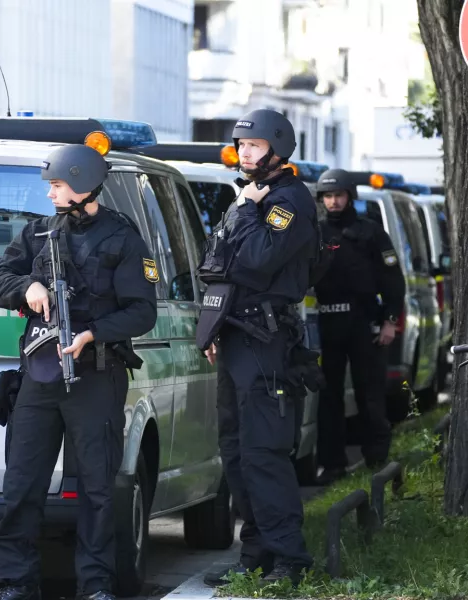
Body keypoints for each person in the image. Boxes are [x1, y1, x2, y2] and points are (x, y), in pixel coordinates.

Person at [0, 143, 158, 600]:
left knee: (98, 490)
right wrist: (29, 286)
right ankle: (16, 582)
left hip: (95, 376)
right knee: (21, 484)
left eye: (57, 186)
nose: (50, 195)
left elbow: (142, 312)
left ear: (82, 184)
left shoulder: (122, 239)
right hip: (40, 378)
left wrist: (93, 334)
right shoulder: (39, 234)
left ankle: (96, 585)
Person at [197, 109, 318, 587]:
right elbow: (215, 263)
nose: (244, 152)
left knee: (264, 451)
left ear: (277, 147)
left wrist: (247, 211)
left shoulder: (287, 199)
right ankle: (257, 555)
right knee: (235, 451)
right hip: (236, 336)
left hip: (266, 342)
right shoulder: (245, 197)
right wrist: (213, 328)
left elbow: (254, 261)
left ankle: (290, 560)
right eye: (240, 144)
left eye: (253, 144)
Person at [312, 168, 405, 484]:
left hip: (364, 321)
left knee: (370, 394)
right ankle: (332, 464)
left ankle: (377, 461)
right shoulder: (316, 233)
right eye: (328, 196)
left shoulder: (371, 233)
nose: (333, 201)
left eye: (338, 195)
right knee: (329, 397)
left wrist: (390, 321)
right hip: (327, 321)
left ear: (350, 196)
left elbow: (394, 281)